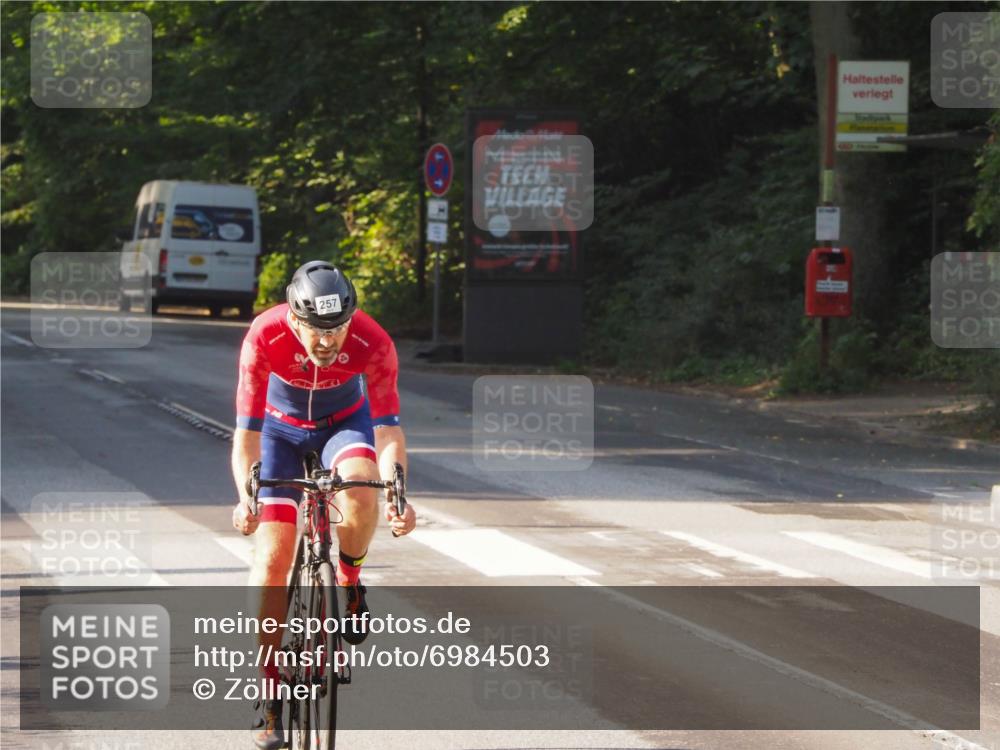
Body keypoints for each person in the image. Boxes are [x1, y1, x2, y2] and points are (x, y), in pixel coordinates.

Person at [230, 260, 416, 750]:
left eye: (338, 329)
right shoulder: (264, 335)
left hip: (343, 423)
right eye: (317, 330)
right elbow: (245, 435)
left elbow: (389, 431)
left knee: (361, 483)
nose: (329, 342)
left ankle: (350, 582)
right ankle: (269, 694)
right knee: (273, 556)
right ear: (294, 319)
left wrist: (397, 489)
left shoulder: (373, 342)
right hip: (277, 432)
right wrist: (245, 494)